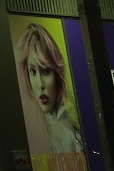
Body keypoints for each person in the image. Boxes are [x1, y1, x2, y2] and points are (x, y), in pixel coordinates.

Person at [17, 22, 85, 159]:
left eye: (45, 71)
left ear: (57, 74)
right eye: (33, 71)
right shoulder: (42, 127)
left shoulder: (67, 134)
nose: (40, 84)